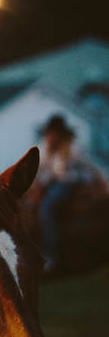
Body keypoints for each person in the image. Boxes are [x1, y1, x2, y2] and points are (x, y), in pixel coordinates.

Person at [36, 113, 104, 270]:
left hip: (67, 184)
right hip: (50, 184)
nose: (51, 137)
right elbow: (40, 170)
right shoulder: (44, 148)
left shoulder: (72, 149)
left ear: (60, 134)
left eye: (53, 133)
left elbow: (86, 168)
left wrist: (96, 183)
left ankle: (51, 255)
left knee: (46, 208)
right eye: (49, 133)